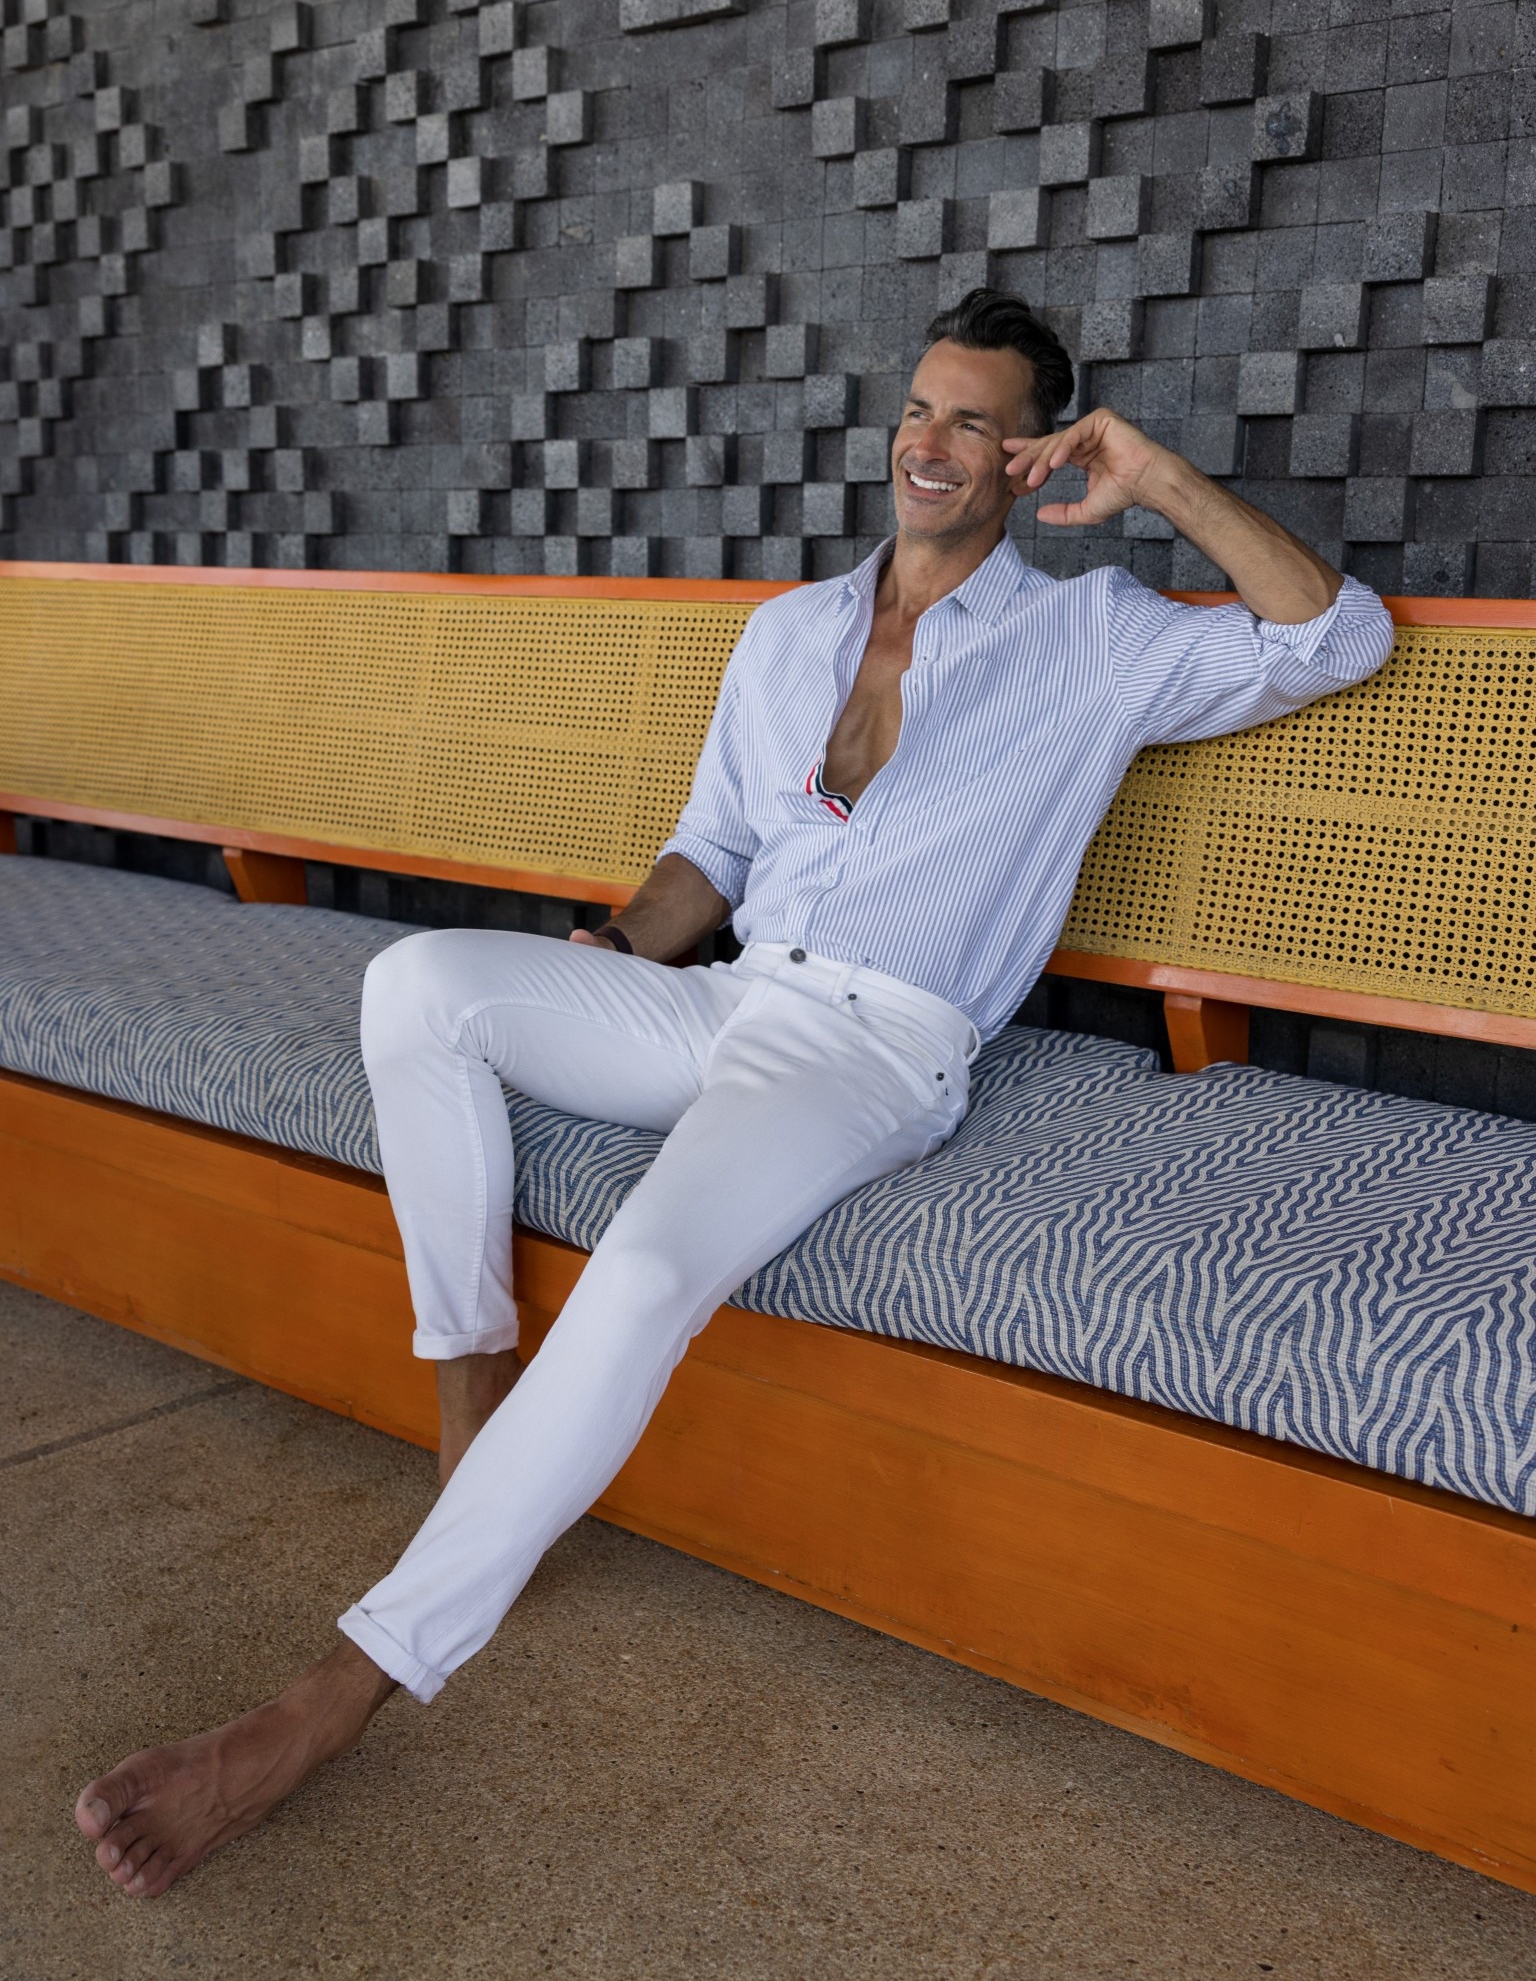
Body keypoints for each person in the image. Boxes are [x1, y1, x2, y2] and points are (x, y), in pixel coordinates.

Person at [74, 288, 1394, 1896]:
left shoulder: (1098, 638)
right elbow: (714, 851)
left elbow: (1340, 633)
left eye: (978, 420)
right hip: (721, 997)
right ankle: (471, 1381)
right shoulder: (786, 634)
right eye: (921, 407)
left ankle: (332, 1700)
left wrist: (1161, 480)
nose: (934, 441)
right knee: (417, 984)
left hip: (875, 1047)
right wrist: (622, 951)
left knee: (640, 1267)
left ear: (1035, 455)